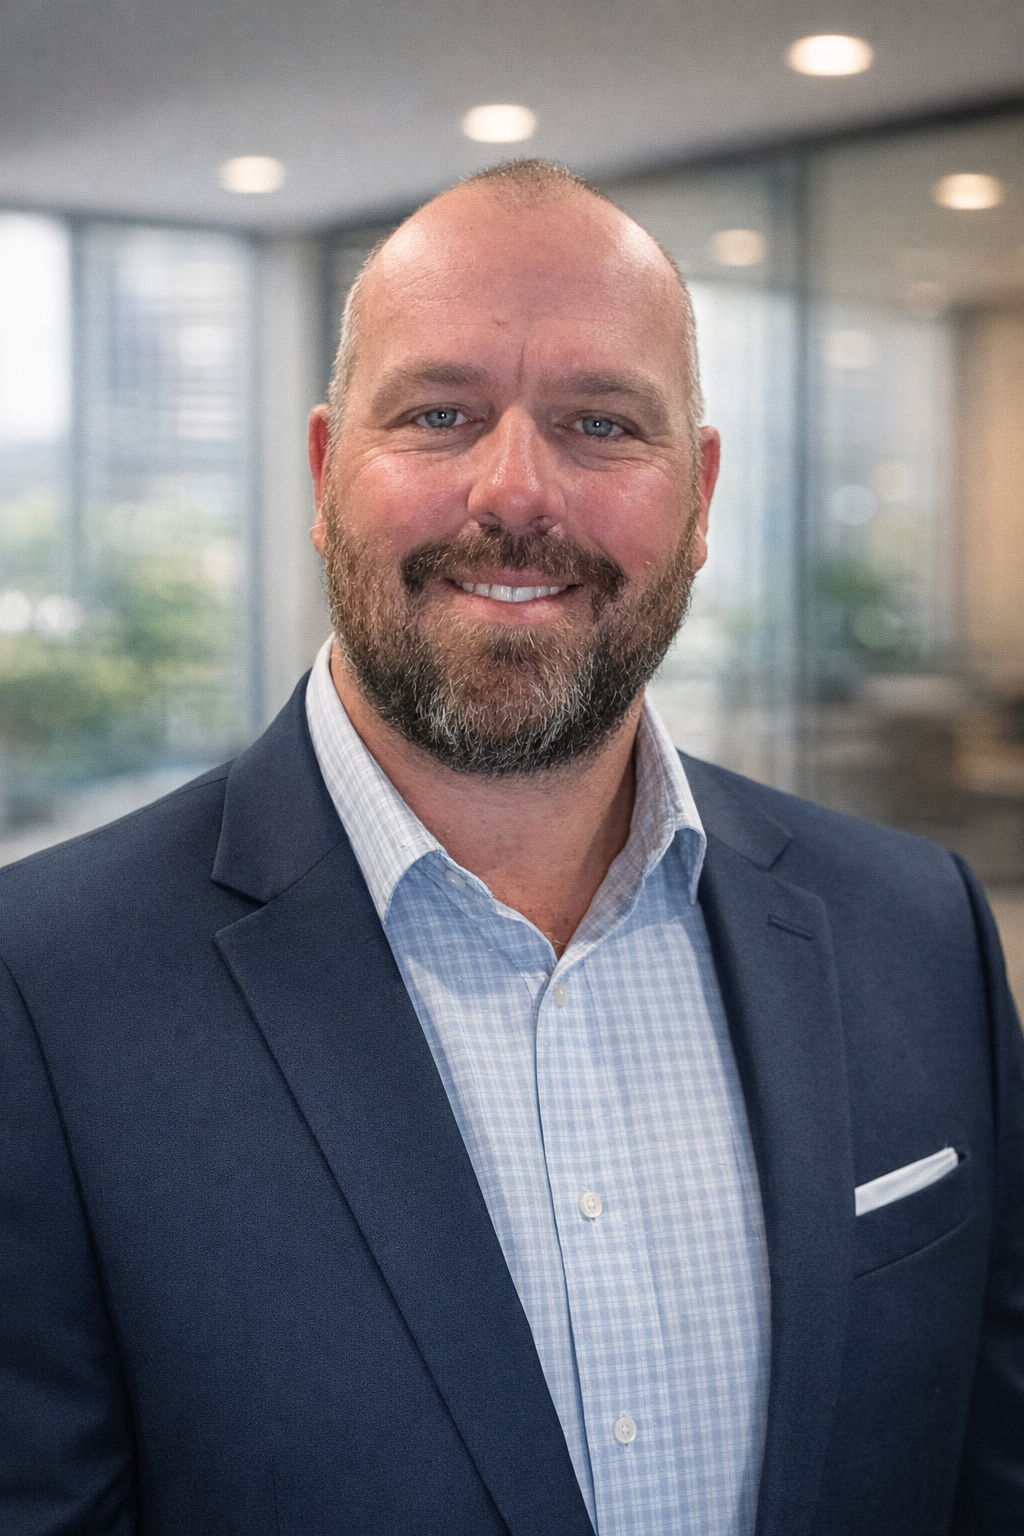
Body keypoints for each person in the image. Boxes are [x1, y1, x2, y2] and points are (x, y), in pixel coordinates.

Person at [1, 159, 1022, 1536]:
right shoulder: (43, 990)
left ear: (702, 494)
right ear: (324, 474)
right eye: (440, 415)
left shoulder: (920, 930)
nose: (517, 491)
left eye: (602, 424)